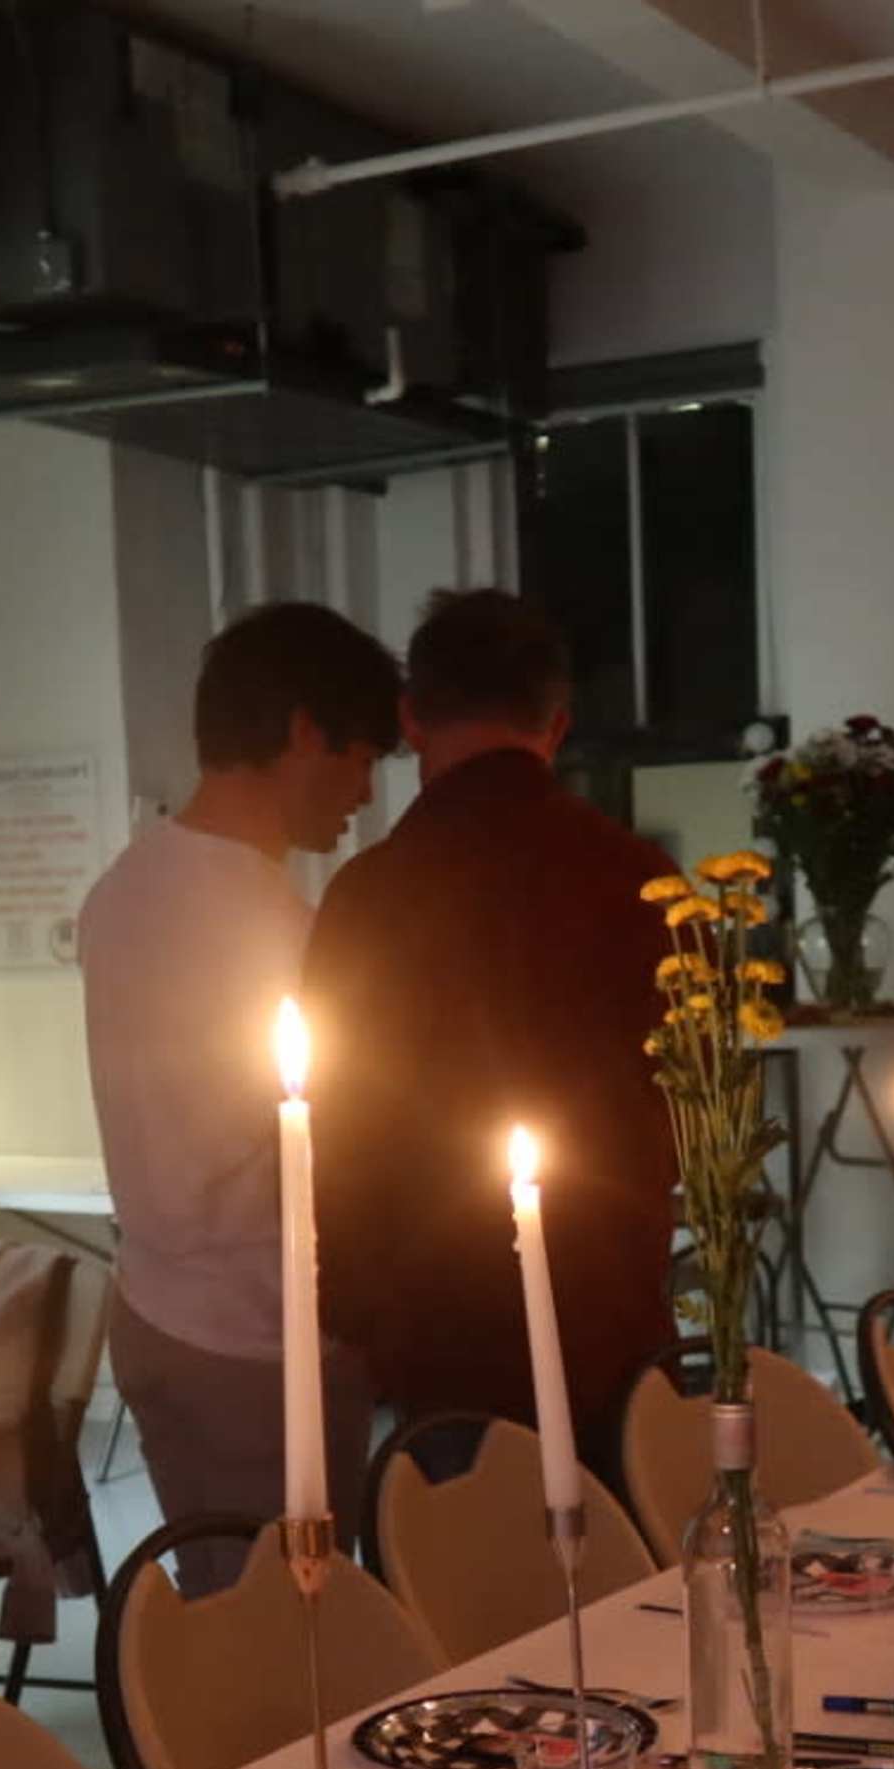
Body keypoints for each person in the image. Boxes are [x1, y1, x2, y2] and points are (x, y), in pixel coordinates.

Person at [303, 591, 675, 1463]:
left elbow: (339, 1122)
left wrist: (351, 1310)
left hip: (437, 1316)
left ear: (412, 718)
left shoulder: (369, 896)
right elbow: (680, 1100)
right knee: (626, 1579)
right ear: (557, 723)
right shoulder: (640, 879)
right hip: (606, 1302)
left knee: (460, 1582)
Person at [79, 601, 398, 1575]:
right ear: (306, 732)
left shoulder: (122, 887)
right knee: (288, 1642)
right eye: (361, 755)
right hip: (258, 1331)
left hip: (153, 1307)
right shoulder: (281, 926)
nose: (365, 788)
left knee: (227, 1607)